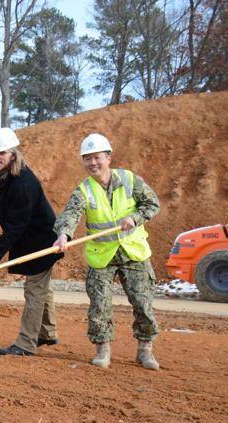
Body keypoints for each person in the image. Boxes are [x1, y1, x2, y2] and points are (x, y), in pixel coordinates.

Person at [53, 133, 160, 370]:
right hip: (102, 255)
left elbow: (152, 204)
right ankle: (103, 350)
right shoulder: (84, 190)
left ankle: (145, 351)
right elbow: (71, 214)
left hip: (134, 252)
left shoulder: (130, 180)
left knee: (143, 303)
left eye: (97, 157)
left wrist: (135, 217)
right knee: (99, 305)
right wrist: (63, 235)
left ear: (108, 157)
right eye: (87, 159)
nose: (93, 163)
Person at [0, 128, 63, 356]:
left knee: (34, 291)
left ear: (13, 153)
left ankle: (25, 344)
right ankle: (47, 332)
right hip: (33, 240)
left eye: (2, 152)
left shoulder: (23, 183)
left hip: (42, 244)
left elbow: (16, 226)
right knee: (42, 287)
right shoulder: (10, 178)